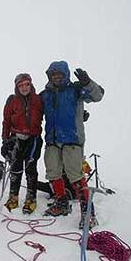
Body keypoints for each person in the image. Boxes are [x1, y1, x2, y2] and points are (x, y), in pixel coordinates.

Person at [41, 61, 104, 229]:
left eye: (59, 75)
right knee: (53, 172)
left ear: (65, 75)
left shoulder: (76, 90)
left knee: (75, 175)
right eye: (53, 75)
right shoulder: (45, 94)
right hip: (52, 140)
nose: (56, 78)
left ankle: (88, 213)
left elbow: (98, 96)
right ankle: (62, 203)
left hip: (72, 139)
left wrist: (87, 82)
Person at [1, 73, 43, 214]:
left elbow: (52, 113)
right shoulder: (12, 101)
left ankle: (31, 199)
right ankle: (13, 197)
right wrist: (5, 141)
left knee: (31, 169)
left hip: (34, 138)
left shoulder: (38, 100)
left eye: (26, 84)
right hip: (16, 138)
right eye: (20, 85)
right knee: (16, 168)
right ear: (16, 87)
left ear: (31, 84)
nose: (24, 88)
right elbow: (6, 121)